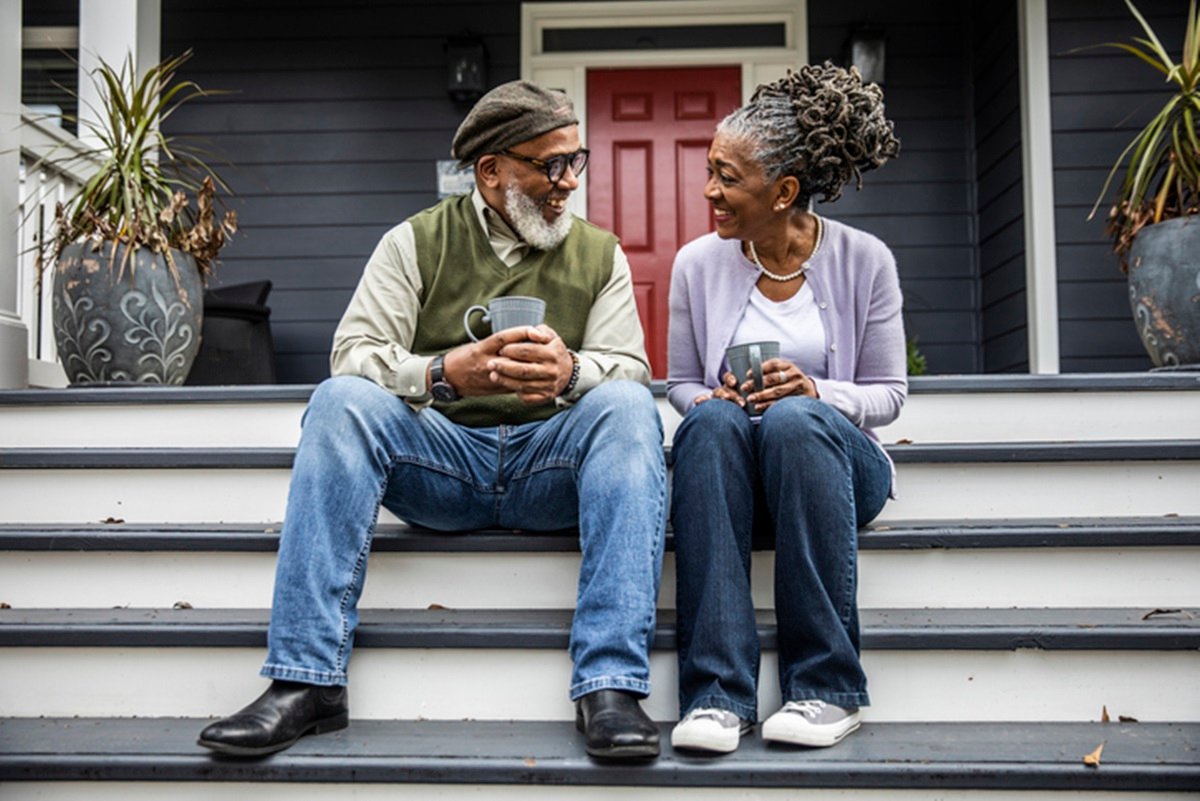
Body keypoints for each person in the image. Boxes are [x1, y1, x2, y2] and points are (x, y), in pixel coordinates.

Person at [198, 80, 666, 760]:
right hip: (441, 467)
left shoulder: (601, 254)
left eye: (575, 160)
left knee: (626, 405)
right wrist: (441, 372)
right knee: (339, 399)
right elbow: (352, 354)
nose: (567, 182)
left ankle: (611, 686)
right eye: (548, 164)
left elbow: (629, 367)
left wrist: (572, 373)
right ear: (491, 171)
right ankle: (306, 682)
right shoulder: (414, 243)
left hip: (550, 469)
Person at [664, 62, 905, 754]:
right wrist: (712, 397)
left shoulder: (866, 260)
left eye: (727, 177)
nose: (710, 190)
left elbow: (889, 394)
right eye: (710, 170)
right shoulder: (695, 264)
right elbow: (680, 381)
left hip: (833, 467)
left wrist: (817, 391)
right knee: (707, 422)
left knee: (798, 420)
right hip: (738, 468)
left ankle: (827, 688)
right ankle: (717, 697)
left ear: (785, 191)